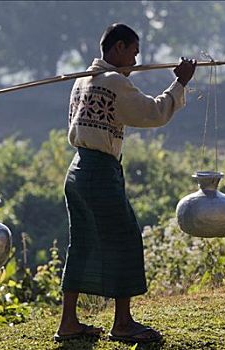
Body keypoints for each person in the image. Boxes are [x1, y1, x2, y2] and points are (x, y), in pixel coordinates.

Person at [54, 23, 196, 344]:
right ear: (117, 48)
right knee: (126, 239)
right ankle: (122, 323)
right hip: (99, 173)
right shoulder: (114, 83)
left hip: (77, 170)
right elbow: (153, 112)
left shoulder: (82, 80)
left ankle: (68, 323)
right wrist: (180, 82)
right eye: (133, 52)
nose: (135, 59)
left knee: (82, 243)